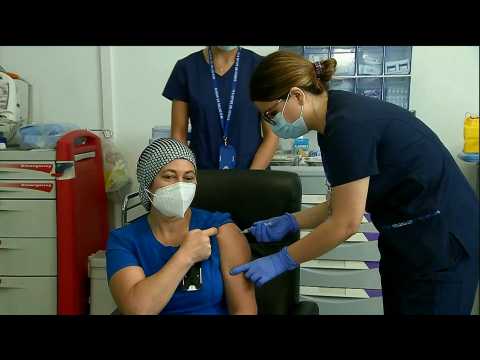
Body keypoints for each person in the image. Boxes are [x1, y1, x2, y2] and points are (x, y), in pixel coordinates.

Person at [230, 51, 479, 315]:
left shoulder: (347, 127)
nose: (271, 123)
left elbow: (346, 223)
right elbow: (340, 204)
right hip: (409, 242)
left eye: (271, 114)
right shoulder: (332, 121)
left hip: (442, 243)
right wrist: (292, 221)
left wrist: (282, 260)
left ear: (297, 95)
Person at [106, 138, 257, 315]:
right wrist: (185, 256)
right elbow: (138, 310)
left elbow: (244, 308)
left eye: (188, 178)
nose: (180, 185)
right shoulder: (124, 240)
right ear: (148, 185)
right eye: (169, 176)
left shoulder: (220, 229)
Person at [163, 46, 278, 170]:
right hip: (201, 176)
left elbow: (272, 136)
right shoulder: (186, 69)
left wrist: (250, 179)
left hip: (253, 175)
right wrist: (186, 175)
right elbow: (178, 135)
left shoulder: (260, 67)